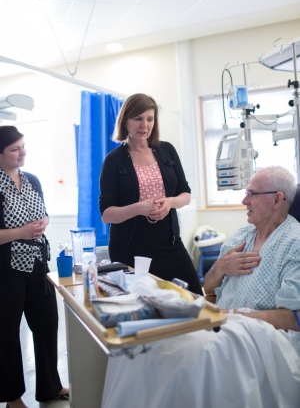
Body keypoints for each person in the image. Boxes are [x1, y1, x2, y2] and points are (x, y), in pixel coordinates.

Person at [101, 166, 300, 408]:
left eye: (252, 194)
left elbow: (294, 319)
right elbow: (211, 292)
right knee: (144, 342)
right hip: (221, 321)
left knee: (188, 355)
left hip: (267, 334)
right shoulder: (241, 236)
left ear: (277, 199)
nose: (244, 200)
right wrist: (219, 270)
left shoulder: (295, 243)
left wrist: (231, 315)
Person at [99, 93, 202, 295]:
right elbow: (106, 214)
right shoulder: (114, 160)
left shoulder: (167, 151)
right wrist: (139, 208)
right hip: (130, 249)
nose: (144, 125)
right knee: (142, 305)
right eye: (138, 118)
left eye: (150, 118)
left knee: (195, 296)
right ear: (125, 121)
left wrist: (170, 202)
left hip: (169, 243)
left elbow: (185, 194)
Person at [0, 126, 69, 408]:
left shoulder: (32, 180)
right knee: (7, 335)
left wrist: (43, 224)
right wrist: (22, 232)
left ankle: (50, 387)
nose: (22, 152)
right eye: (15, 148)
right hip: (7, 272)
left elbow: (44, 215)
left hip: (38, 266)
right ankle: (12, 396)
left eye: (23, 146)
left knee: (47, 325)